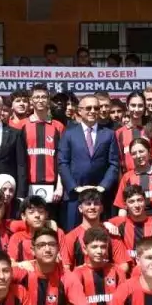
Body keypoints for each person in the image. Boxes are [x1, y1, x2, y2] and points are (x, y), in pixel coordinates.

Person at [57, 95, 119, 231]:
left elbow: (114, 163)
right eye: (88, 108)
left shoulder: (109, 134)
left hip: (100, 195)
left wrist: (103, 186)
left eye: (96, 108)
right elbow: (63, 163)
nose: (92, 111)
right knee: (73, 234)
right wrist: (74, 187)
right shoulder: (69, 134)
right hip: (75, 196)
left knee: (99, 234)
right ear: (79, 110)